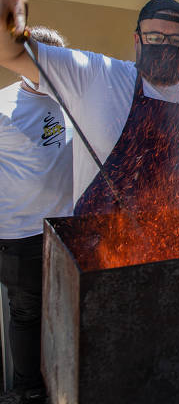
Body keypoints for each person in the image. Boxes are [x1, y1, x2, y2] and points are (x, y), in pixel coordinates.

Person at [0, 0, 179, 217]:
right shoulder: (96, 74)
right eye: (154, 37)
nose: (165, 47)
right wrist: (10, 0)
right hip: (103, 247)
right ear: (137, 40)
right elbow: (11, 51)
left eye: (177, 41)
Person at [0, 26, 72, 403]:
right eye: (42, 61)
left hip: (69, 232)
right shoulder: (2, 108)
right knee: (27, 316)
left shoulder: (72, 101)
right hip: (20, 236)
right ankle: (28, 391)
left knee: (65, 313)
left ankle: (64, 386)